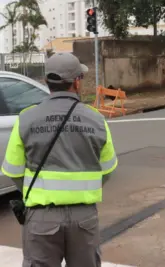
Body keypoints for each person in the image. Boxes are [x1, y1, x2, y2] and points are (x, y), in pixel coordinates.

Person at [1, 52, 118, 267]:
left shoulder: (26, 118)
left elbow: (13, 171)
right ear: (76, 82)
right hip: (84, 217)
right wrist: (83, 189)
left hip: (40, 218)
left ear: (47, 81)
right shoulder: (96, 120)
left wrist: (35, 191)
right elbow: (108, 169)